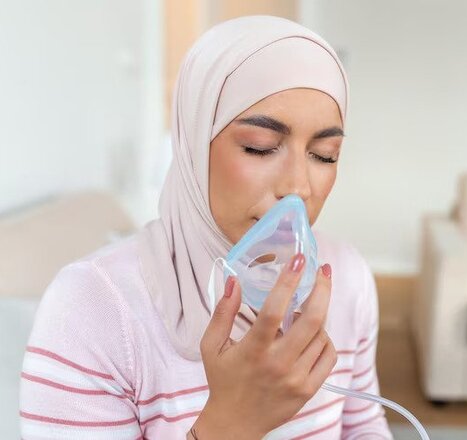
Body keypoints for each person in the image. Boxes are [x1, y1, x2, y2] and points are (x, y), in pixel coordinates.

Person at [20, 15, 393, 439]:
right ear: (194, 144)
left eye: (325, 155)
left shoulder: (347, 276)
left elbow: (363, 425)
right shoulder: (92, 308)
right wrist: (231, 423)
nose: (298, 187)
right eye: (260, 147)